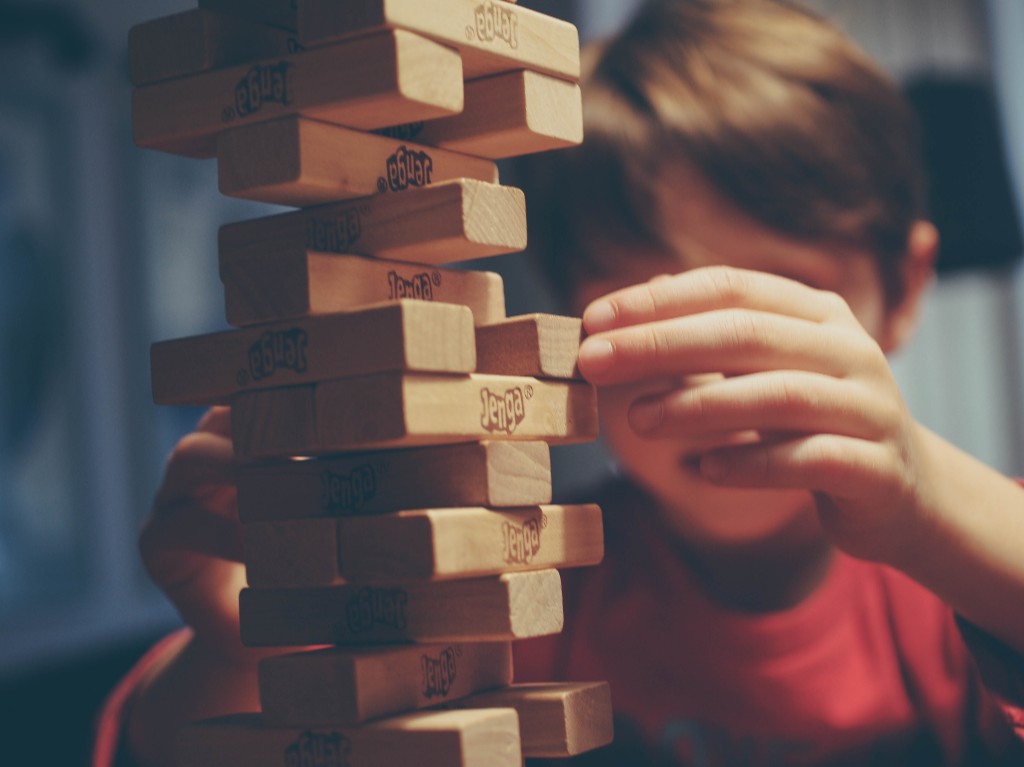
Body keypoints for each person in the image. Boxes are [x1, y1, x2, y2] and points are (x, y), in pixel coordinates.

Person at [96, 1, 1024, 765]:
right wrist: (240, 651)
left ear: (902, 289)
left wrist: (927, 497)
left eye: (770, 303)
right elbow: (174, 741)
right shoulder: (516, 581)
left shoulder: (968, 564)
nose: (708, 369)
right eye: (642, 307)